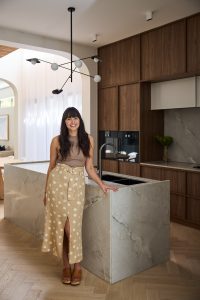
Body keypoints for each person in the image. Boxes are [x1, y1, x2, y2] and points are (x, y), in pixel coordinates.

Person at [41, 107, 117, 286]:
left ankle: (78, 267)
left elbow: (89, 168)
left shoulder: (87, 139)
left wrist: (102, 184)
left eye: (75, 118)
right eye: (68, 119)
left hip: (76, 185)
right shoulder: (57, 140)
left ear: (79, 120)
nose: (72, 121)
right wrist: (45, 192)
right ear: (64, 122)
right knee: (62, 227)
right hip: (57, 185)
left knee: (72, 228)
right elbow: (51, 166)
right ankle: (66, 266)